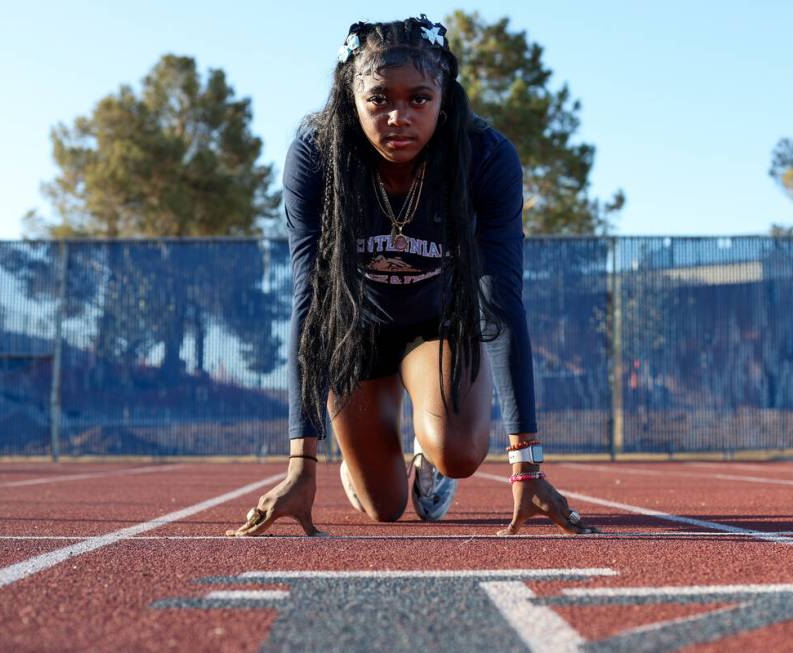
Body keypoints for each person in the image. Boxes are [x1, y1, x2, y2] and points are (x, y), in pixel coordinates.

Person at [227, 15, 597, 537]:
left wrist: (527, 467)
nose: (399, 116)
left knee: (459, 452)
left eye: (419, 98)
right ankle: (361, 459)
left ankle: (430, 449)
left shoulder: (485, 157)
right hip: (355, 333)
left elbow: (501, 303)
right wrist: (299, 467)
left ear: (444, 95)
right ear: (349, 96)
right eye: (379, 99)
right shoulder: (316, 154)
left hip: (437, 328)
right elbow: (307, 300)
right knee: (384, 508)